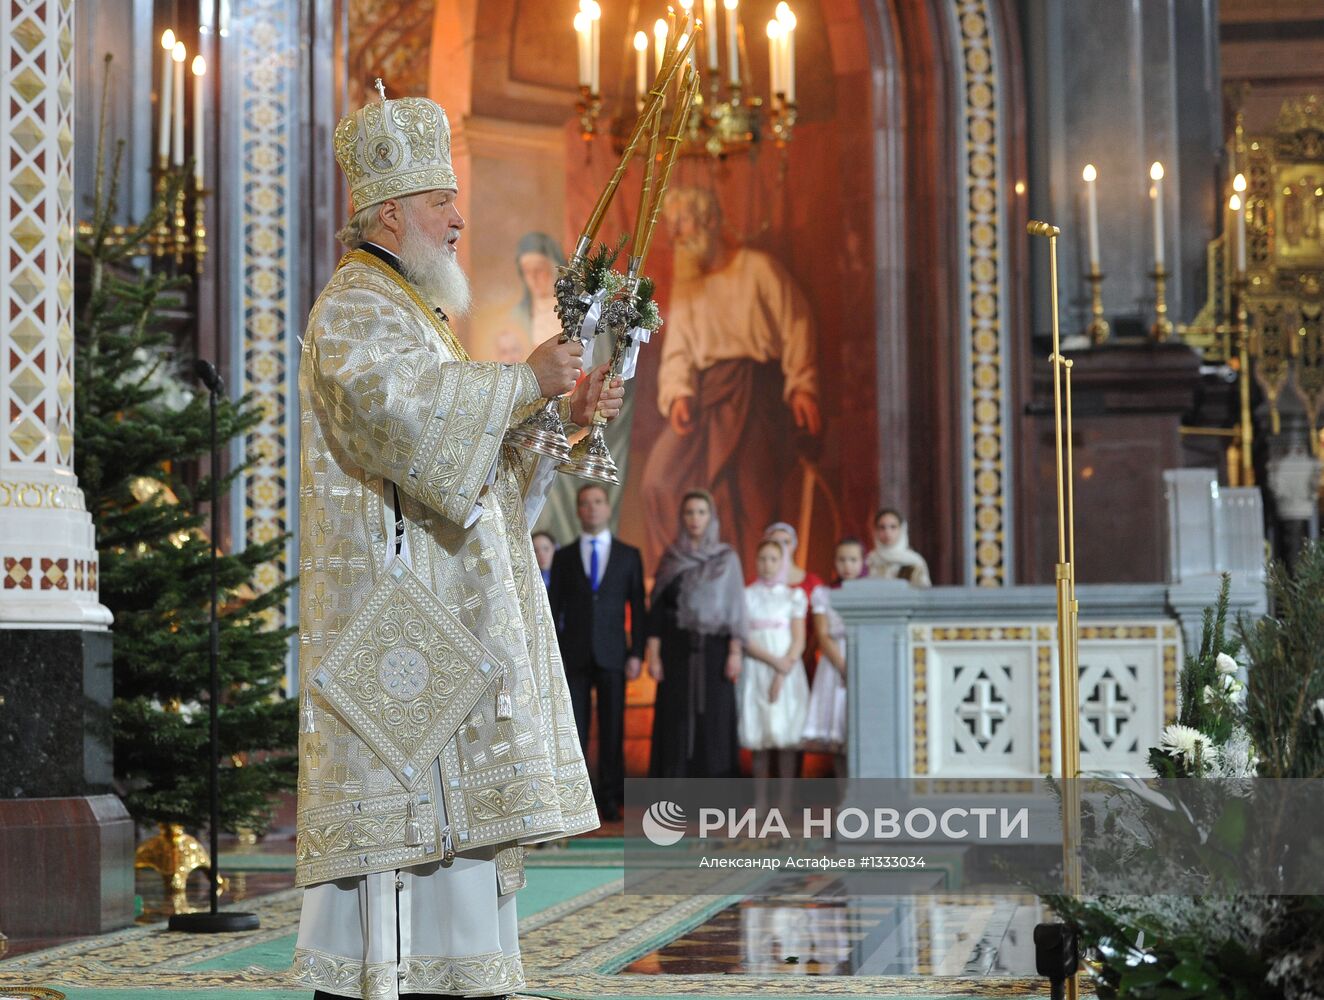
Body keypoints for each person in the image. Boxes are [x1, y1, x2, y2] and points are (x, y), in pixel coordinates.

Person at [293, 90, 625, 1000]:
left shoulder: (414, 312)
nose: (458, 217)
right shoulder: (355, 310)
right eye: (443, 201)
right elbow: (401, 420)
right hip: (397, 638)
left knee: (458, 882)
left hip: (441, 632)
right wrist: (520, 382)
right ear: (392, 211)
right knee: (397, 878)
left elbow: (474, 482)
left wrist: (555, 415)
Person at [640, 187, 821, 569]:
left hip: (757, 395)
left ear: (709, 221)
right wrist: (677, 394)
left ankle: (754, 587)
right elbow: (678, 351)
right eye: (670, 226)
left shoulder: (758, 269)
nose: (675, 235)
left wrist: (802, 385)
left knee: (748, 494)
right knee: (659, 479)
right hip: (706, 398)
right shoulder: (689, 285)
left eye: (682, 222)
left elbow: (797, 324)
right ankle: (681, 575)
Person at [547, 484, 646, 822]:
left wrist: (637, 654)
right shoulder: (563, 557)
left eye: (598, 502)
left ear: (607, 507)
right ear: (578, 510)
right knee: (575, 729)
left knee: (612, 728)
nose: (591, 508)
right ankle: (578, 797)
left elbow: (639, 609)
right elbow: (553, 609)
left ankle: (610, 796)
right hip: (573, 656)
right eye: (585, 503)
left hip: (613, 654)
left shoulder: (628, 555)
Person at [646, 489, 745, 778]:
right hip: (676, 652)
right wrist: (653, 656)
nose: (695, 519)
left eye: (701, 512)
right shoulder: (671, 558)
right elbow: (658, 612)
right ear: (682, 518)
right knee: (675, 722)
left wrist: (735, 653)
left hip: (716, 653)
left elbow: (735, 609)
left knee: (714, 721)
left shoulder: (727, 559)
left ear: (711, 517)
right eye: (689, 512)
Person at [738, 539, 809, 815]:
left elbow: (799, 639)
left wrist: (783, 669)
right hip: (757, 668)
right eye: (763, 559)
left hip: (787, 672)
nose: (767, 565)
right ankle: (760, 800)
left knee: (785, 736)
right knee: (760, 737)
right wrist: (772, 661)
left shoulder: (793, 596)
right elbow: (745, 638)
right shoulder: (746, 595)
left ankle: (786, 800)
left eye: (773, 559)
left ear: (782, 562)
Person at [803, 537, 867, 781]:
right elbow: (822, 634)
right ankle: (844, 797)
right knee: (838, 733)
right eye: (842, 560)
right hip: (834, 663)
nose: (847, 565)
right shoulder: (824, 594)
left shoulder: (873, 593)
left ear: (862, 562)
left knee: (861, 731)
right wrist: (843, 666)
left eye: (853, 560)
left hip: (865, 658)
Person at [866, 507, 931, 587]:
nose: (887, 532)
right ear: (876, 530)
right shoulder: (870, 560)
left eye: (893, 527)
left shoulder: (914, 561)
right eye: (882, 527)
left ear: (902, 529)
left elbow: (924, 594)